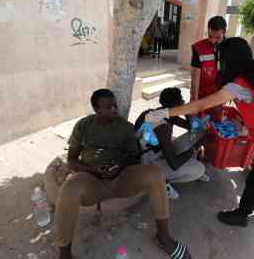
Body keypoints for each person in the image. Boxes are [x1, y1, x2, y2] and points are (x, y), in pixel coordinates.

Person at [145, 37, 254, 227]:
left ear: (230, 59)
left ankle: (242, 215)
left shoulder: (239, 84)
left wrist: (166, 112)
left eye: (221, 58)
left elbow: (202, 103)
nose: (220, 62)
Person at [44, 89, 191, 259]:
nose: (114, 109)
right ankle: (65, 254)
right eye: (108, 107)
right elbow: (72, 160)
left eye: (114, 105)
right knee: (70, 188)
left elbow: (134, 157)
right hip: (93, 182)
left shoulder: (125, 128)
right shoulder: (84, 126)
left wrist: (120, 165)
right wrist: (92, 170)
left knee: (155, 174)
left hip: (121, 179)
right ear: (96, 109)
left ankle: (163, 237)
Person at [135, 88, 210, 200]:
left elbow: (191, 128)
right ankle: (159, 181)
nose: (183, 102)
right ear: (175, 105)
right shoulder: (161, 125)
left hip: (159, 152)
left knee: (199, 132)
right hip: (148, 162)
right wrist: (197, 146)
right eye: (181, 101)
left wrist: (186, 111)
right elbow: (173, 163)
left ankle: (182, 167)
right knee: (199, 169)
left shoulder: (164, 113)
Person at [190, 16, 227, 120]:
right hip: (202, 95)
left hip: (220, 96)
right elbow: (195, 78)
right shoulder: (198, 48)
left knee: (216, 125)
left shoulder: (231, 47)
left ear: (224, 32)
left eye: (217, 37)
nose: (213, 41)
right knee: (199, 123)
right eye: (210, 36)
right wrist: (194, 103)